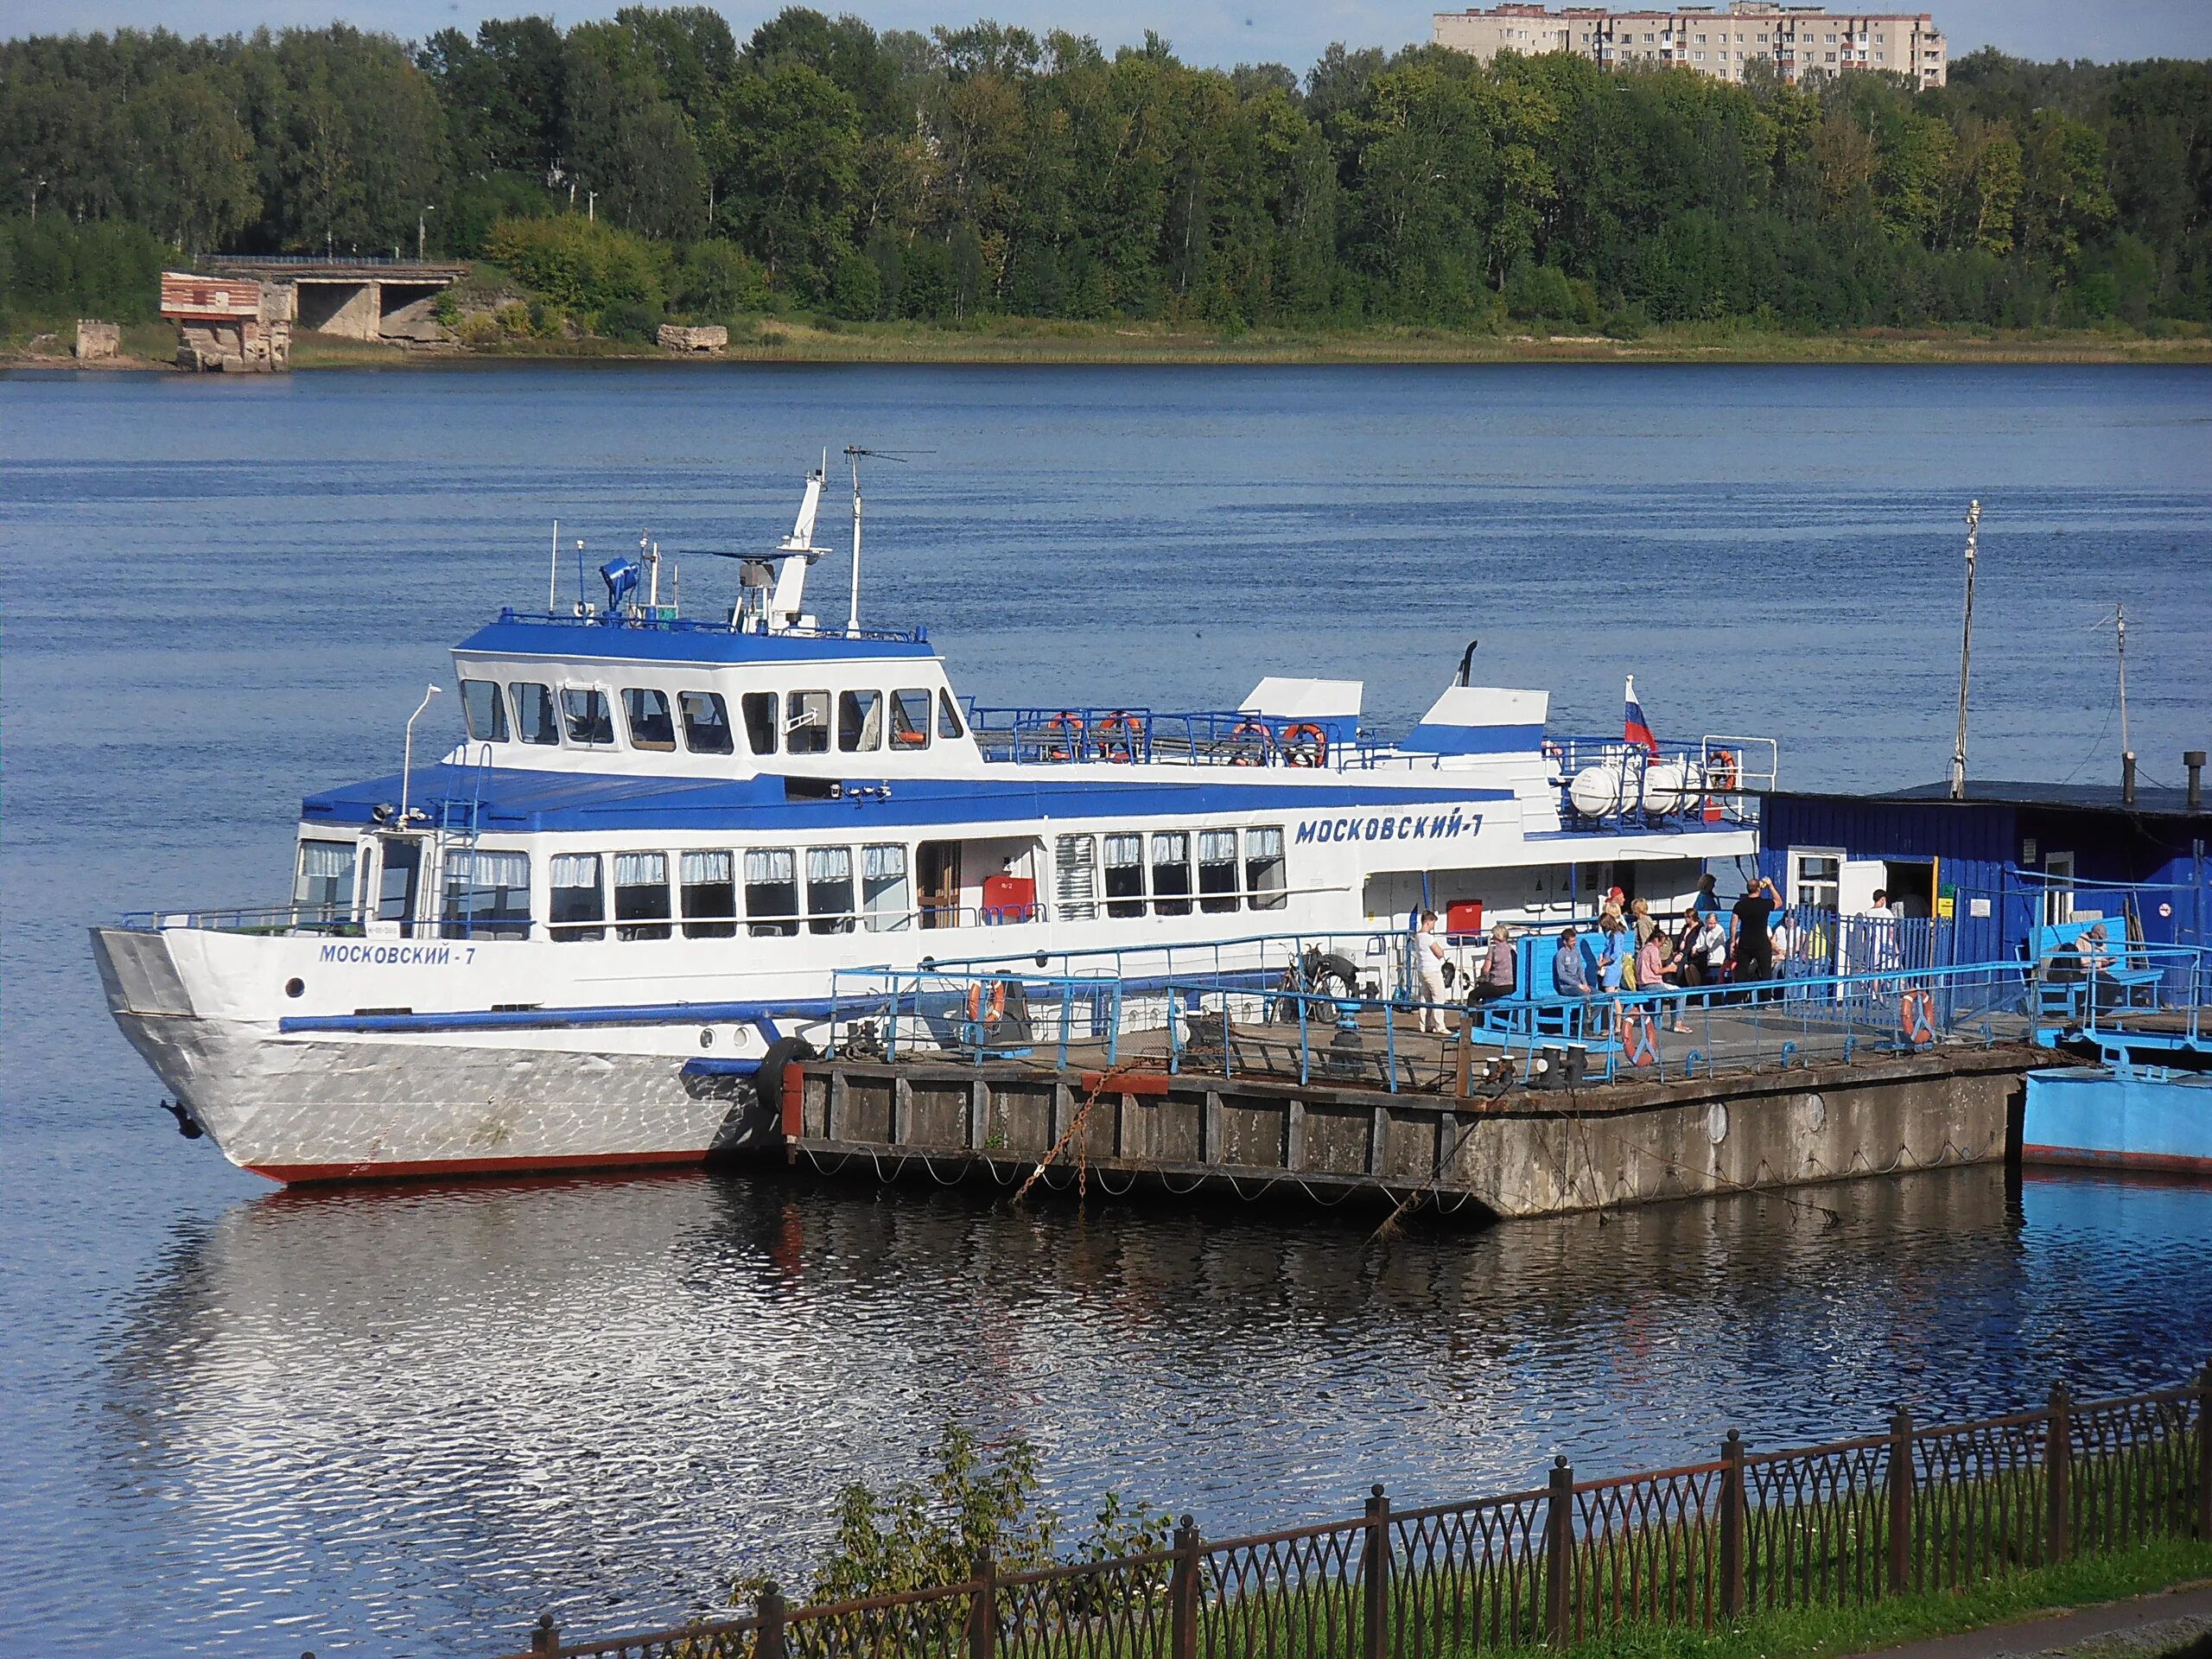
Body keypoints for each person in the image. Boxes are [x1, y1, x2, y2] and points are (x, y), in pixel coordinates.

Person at [1637, 923, 1690, 1033]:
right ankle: (1677, 1023)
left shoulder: (1643, 950)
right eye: (1662, 942)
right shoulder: (1653, 950)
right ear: (1656, 940)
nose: (1662, 945)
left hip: (1642, 983)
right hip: (1652, 984)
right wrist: (1670, 969)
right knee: (1681, 994)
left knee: (1674, 990)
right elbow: (1656, 971)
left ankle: (1675, 1023)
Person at [1732, 875, 1779, 988]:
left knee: (1741, 971)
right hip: (1761, 942)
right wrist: (1771, 885)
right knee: (1765, 972)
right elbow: (1779, 901)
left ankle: (1737, 1000)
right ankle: (1766, 1000)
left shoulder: (1740, 905)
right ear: (1759, 889)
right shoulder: (1765, 904)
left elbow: (1733, 925)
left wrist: (1733, 942)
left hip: (1745, 941)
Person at [1414, 909, 1449, 1033]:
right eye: (1433, 922)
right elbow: (1440, 953)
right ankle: (1440, 1026)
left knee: (1425, 998)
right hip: (1432, 970)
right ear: (1428, 922)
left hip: (1422, 969)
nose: (1434, 925)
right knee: (1438, 998)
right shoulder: (1428, 938)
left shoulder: (1417, 936)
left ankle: (1424, 1024)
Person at [1471, 922, 1517, 1003]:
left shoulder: (1493, 950)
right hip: (1511, 986)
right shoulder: (1512, 950)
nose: (1492, 938)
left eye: (1493, 935)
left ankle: (1473, 1015)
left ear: (1497, 937)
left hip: (1497, 986)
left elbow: (1486, 969)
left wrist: (1481, 977)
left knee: (1473, 995)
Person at [1553, 927, 1591, 998]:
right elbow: (1562, 976)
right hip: (1567, 988)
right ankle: (1587, 1009)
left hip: (1579, 985)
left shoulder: (1576, 951)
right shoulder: (1561, 954)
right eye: (1572, 941)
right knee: (1586, 996)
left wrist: (1585, 984)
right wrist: (1579, 985)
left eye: (1575, 940)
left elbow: (1580, 970)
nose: (1574, 943)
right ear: (1565, 942)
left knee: (1599, 995)